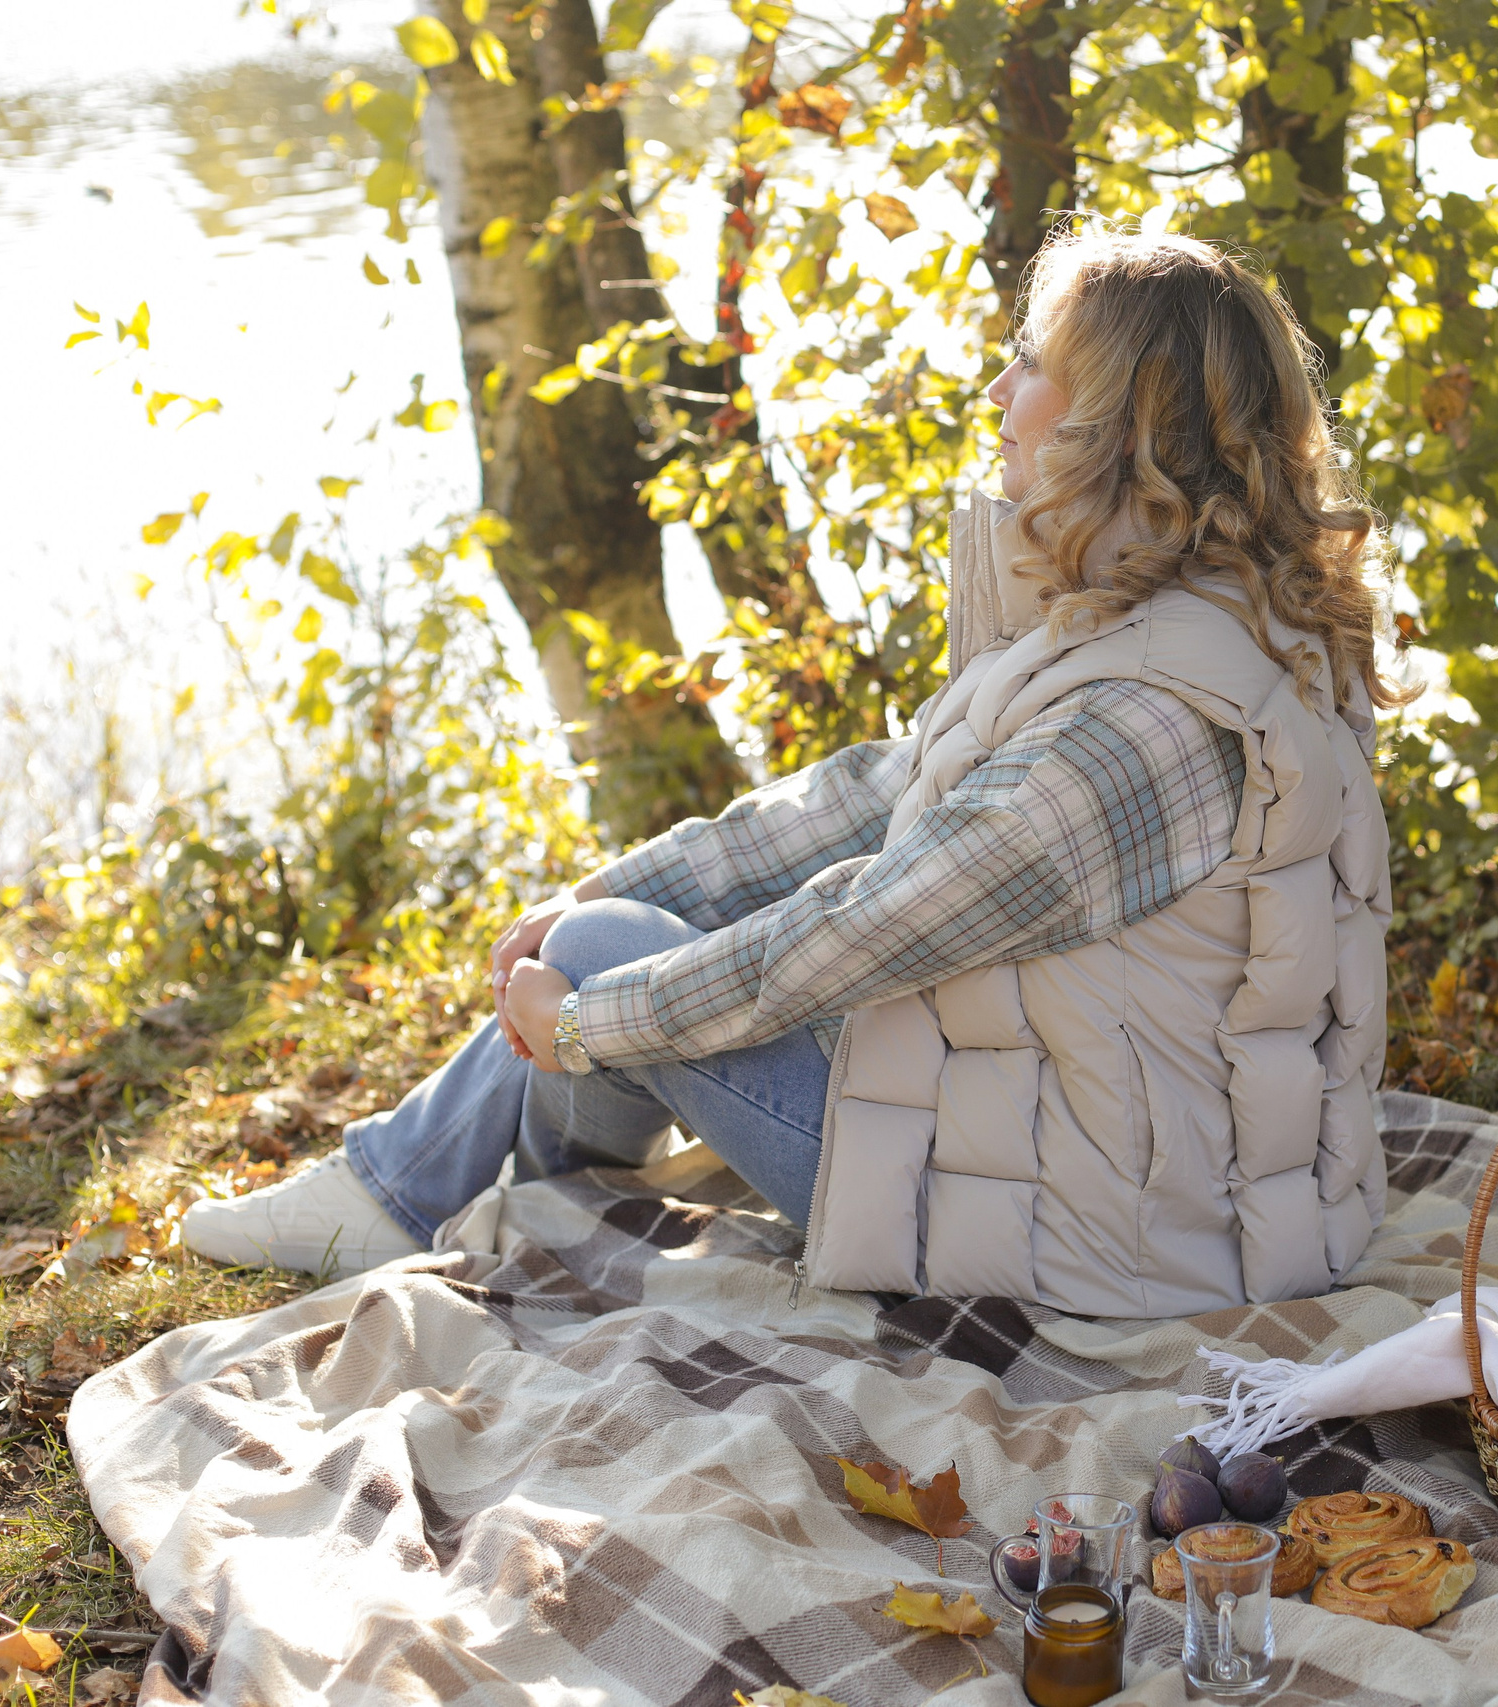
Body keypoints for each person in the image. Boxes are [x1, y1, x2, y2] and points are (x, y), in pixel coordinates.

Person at [181, 225, 1401, 1316]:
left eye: (1029, 364)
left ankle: (449, 1205)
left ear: (1118, 429)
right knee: (600, 934)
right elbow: (875, 795)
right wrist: (613, 880)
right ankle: (480, 1194)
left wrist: (594, 1012)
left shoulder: (1137, 728)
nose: (996, 387)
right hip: (1157, 1188)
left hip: (1104, 1241)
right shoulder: (1202, 620)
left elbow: (859, 932)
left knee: (606, 961)